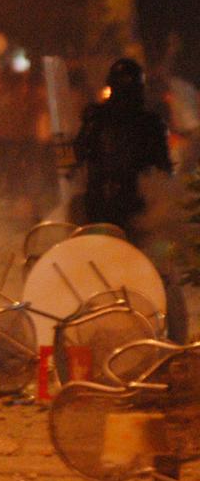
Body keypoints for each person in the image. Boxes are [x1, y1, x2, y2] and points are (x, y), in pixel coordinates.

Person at [72, 58, 187, 341]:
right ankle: (153, 331)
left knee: (104, 270)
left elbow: (78, 156)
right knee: (145, 271)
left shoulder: (97, 118)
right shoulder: (147, 122)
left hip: (105, 205)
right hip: (129, 206)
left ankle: (114, 328)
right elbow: (164, 168)